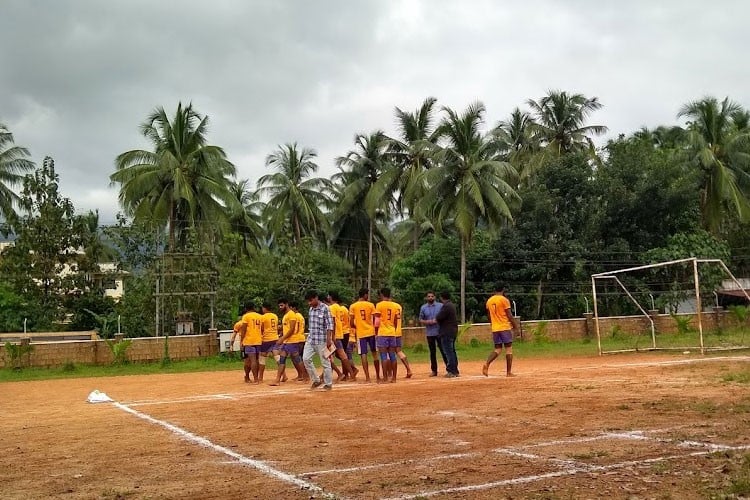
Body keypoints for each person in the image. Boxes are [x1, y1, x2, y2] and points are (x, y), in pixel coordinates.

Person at [483, 283, 521, 377]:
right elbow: (509, 315)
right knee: (509, 349)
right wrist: (515, 327)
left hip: (495, 328)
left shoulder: (489, 301)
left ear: (494, 290)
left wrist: (492, 324)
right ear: (503, 290)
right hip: (504, 327)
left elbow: (489, 316)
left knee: (498, 349)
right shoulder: (504, 300)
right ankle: (508, 372)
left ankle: (487, 364)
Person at [303, 290, 335, 390]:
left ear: (316, 298)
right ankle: (316, 380)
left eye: (311, 300)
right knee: (306, 359)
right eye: (308, 301)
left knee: (325, 362)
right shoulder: (311, 309)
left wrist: (329, 339)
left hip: (322, 340)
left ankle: (328, 384)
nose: (309, 303)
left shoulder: (325, 308)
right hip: (311, 339)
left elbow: (330, 325)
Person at [349, 288, 381, 382]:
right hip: (371, 331)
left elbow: (351, 321)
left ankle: (367, 378)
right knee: (375, 353)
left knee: (363, 354)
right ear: (364, 295)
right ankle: (378, 377)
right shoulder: (371, 305)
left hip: (361, 333)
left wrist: (355, 325)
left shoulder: (353, 306)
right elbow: (376, 319)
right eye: (367, 294)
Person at [269, 299, 303, 386]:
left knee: (297, 359)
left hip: (292, 341)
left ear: (286, 304)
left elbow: (292, 329)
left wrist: (282, 338)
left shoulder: (291, 314)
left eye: (282, 305)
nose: (280, 307)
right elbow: (287, 328)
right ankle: (277, 380)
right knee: (282, 359)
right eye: (279, 306)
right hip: (287, 341)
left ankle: (305, 375)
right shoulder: (286, 315)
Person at [328, 291, 358, 381]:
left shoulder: (332, 307)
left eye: (328, 296)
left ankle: (349, 372)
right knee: (340, 354)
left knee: (337, 354)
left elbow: (333, 322)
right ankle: (346, 373)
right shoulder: (340, 307)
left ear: (331, 297)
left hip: (336, 334)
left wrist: (332, 335)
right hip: (342, 333)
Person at [374, 287, 401, 383]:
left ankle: (385, 378)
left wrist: (376, 332)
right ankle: (394, 378)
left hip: (382, 332)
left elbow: (377, 321)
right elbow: (395, 320)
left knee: (383, 356)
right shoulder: (394, 306)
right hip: (392, 332)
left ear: (382, 294)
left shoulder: (379, 305)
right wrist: (393, 328)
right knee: (392, 355)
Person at [419, 291, 447, 377]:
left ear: (435, 297)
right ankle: (434, 370)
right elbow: (420, 319)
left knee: (443, 350)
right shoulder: (423, 308)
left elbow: (445, 317)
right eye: (429, 296)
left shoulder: (440, 306)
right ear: (426, 298)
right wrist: (427, 322)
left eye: (432, 296)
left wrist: (437, 320)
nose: (430, 298)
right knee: (432, 352)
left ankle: (449, 369)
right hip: (430, 333)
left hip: (439, 331)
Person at [435, 291, 459, 377]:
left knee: (448, 352)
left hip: (446, 331)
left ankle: (451, 371)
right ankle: (455, 370)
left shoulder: (446, 306)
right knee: (452, 351)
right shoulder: (451, 305)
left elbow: (438, 317)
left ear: (442, 297)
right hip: (453, 330)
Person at [238, 302, 264, 383]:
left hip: (249, 341)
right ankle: (253, 378)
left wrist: (241, 341)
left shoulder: (245, 316)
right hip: (258, 341)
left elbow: (243, 329)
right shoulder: (260, 316)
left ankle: (253, 378)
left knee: (250, 360)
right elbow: (262, 328)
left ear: (246, 309)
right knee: (256, 360)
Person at [259, 303, 279, 383]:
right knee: (277, 356)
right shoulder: (275, 316)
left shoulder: (263, 317)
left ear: (265, 308)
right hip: (275, 337)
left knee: (262, 357)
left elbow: (262, 328)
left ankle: (260, 378)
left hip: (266, 338)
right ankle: (283, 375)